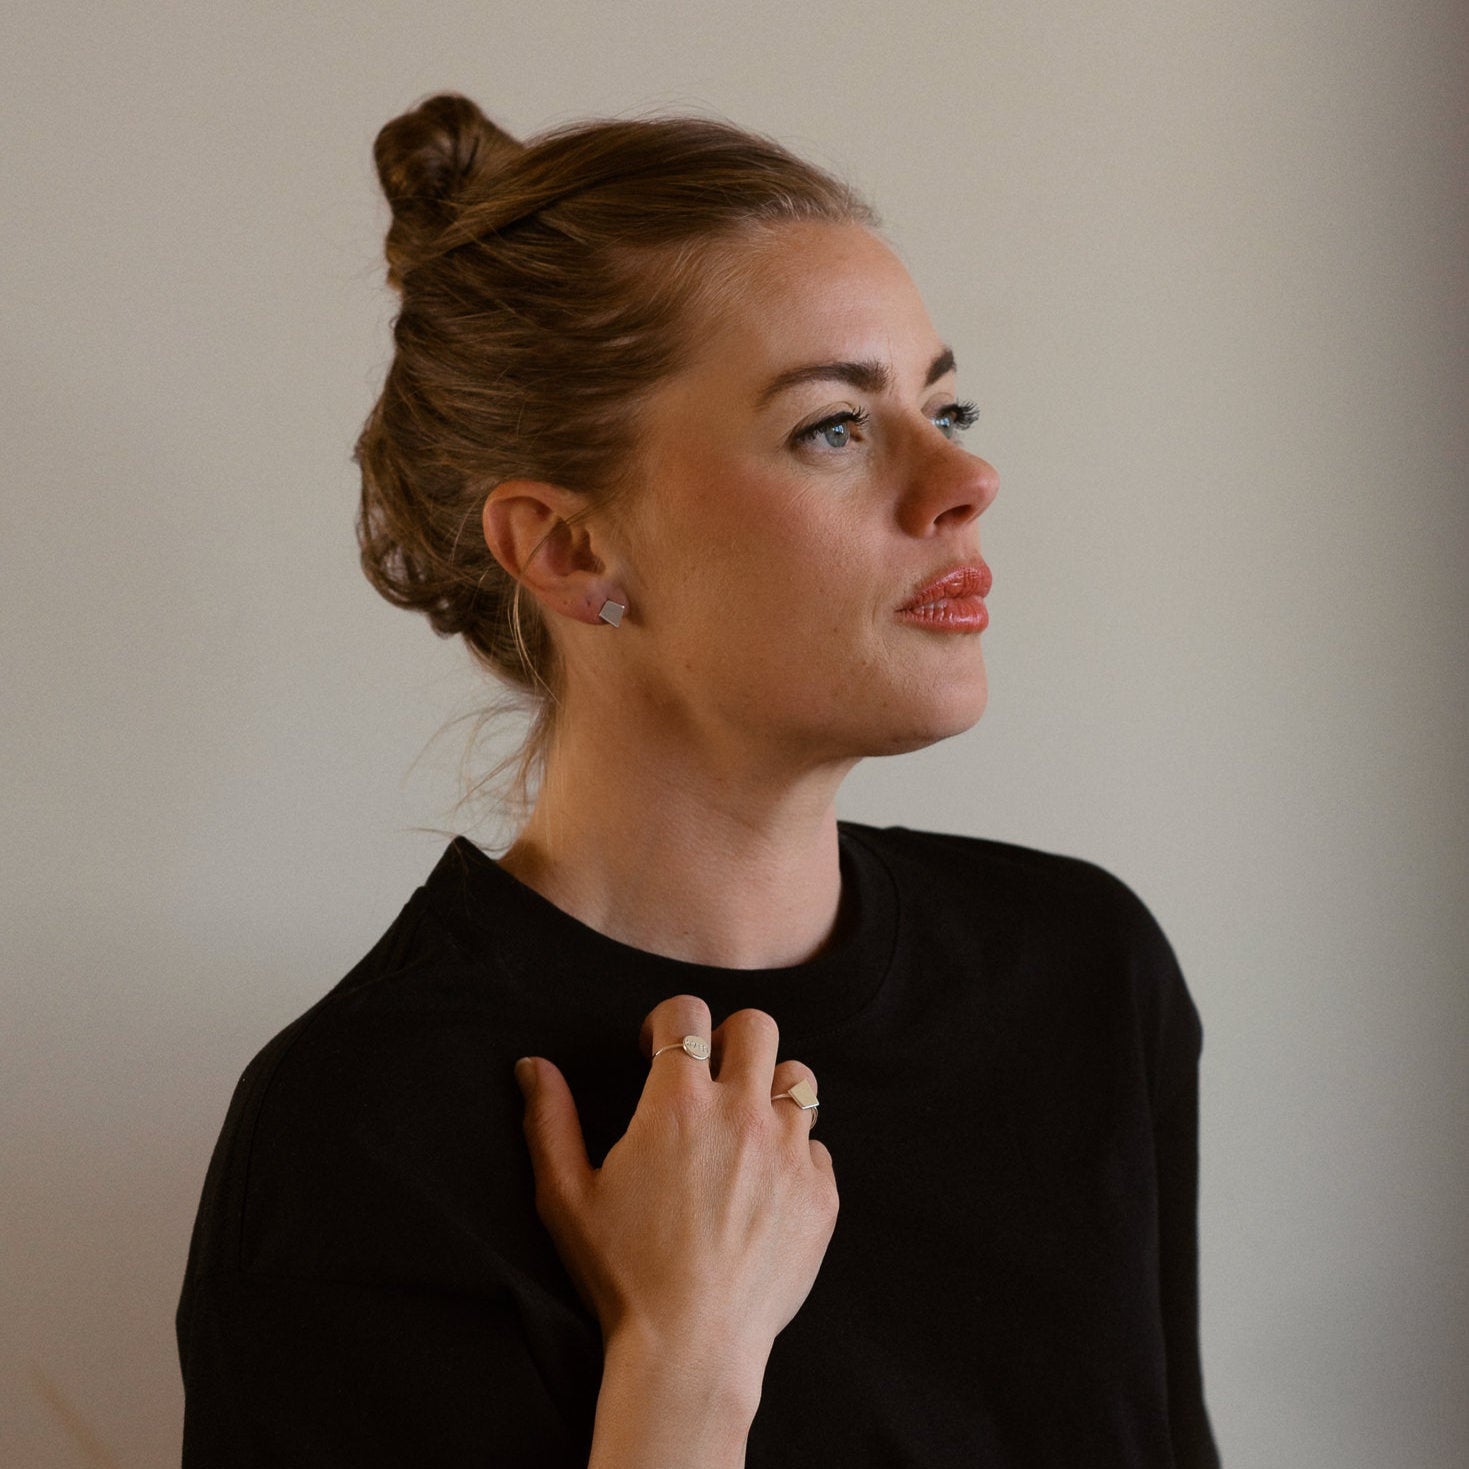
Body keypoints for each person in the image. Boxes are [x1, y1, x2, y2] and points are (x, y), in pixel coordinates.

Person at [177, 93, 1220, 1468]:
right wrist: (687, 1363)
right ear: (569, 551)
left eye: (943, 404)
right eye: (833, 427)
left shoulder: (1081, 972)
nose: (964, 476)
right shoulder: (362, 1131)